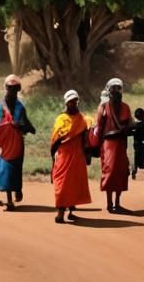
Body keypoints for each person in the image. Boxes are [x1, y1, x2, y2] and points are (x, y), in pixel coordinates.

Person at [0, 75, 35, 211]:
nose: (12, 91)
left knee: (16, 168)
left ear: (18, 89)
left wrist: (21, 126)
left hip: (17, 143)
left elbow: (26, 124)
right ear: (6, 88)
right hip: (4, 143)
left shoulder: (20, 107)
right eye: (10, 88)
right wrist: (4, 128)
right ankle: (9, 201)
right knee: (5, 169)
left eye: (15, 88)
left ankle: (17, 189)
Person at [50, 90, 93, 223]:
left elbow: (86, 138)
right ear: (66, 103)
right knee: (61, 183)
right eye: (70, 102)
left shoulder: (82, 119)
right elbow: (56, 140)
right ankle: (60, 212)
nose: (73, 104)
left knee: (74, 183)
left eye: (75, 101)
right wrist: (52, 157)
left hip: (77, 156)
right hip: (64, 155)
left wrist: (88, 154)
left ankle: (70, 210)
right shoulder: (61, 119)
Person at [96, 77, 133, 213]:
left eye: (118, 88)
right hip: (108, 145)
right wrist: (98, 146)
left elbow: (130, 124)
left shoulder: (126, 107)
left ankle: (117, 203)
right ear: (109, 90)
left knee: (121, 172)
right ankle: (109, 203)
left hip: (122, 144)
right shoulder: (103, 107)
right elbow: (99, 128)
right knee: (109, 172)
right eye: (113, 88)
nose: (116, 91)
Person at [131, 107, 144, 179]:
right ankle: (135, 169)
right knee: (140, 159)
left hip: (134, 144)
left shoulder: (133, 125)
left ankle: (134, 170)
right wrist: (143, 120)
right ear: (143, 116)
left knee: (135, 158)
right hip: (141, 144)